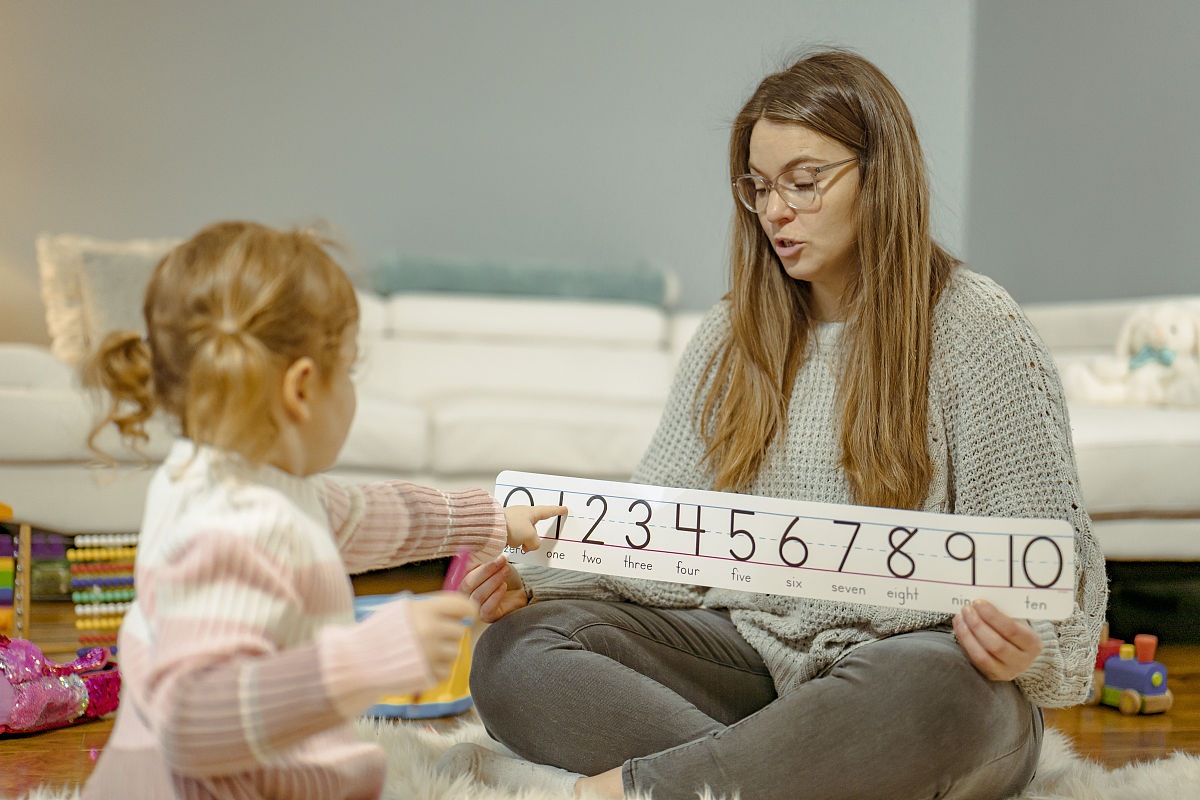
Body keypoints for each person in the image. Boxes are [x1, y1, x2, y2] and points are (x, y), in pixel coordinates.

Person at [442, 49, 1108, 800]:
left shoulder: (978, 327)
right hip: (752, 661)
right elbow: (662, 541)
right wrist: (534, 582)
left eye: (803, 181)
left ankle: (645, 788)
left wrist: (1024, 648)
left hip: (918, 672)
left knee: (944, 691)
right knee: (514, 653)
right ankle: (798, 767)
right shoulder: (732, 334)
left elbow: (1054, 577)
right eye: (759, 186)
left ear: (879, 174)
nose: (775, 212)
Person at [78, 221, 564, 799]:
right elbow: (191, 720)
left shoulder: (230, 480)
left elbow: (375, 515)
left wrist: (488, 519)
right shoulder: (239, 527)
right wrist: (361, 660)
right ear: (302, 390)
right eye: (350, 371)